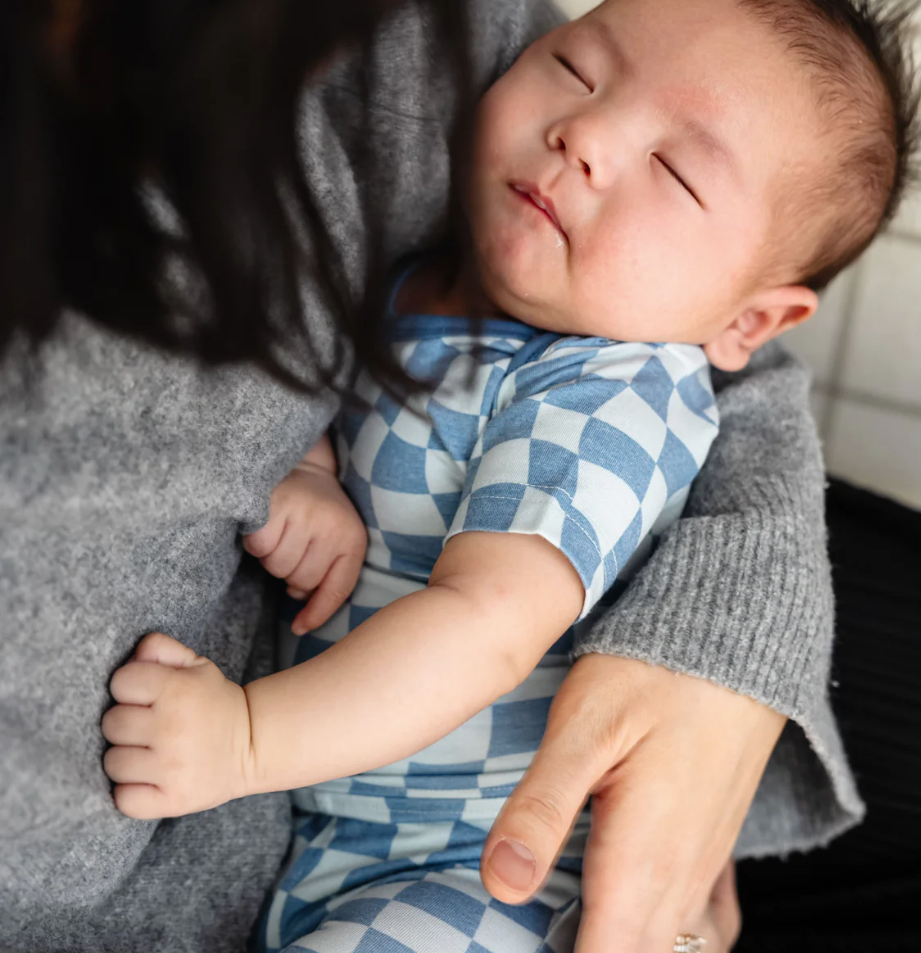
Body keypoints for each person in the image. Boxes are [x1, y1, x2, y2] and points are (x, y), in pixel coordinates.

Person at [0, 0, 913, 951]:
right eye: (573, 69)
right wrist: (310, 471)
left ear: (749, 326)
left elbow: (482, 630)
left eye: (676, 172)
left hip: (491, 873)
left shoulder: (610, 391)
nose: (585, 133)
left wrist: (243, 740)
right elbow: (291, 383)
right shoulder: (420, 285)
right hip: (333, 841)